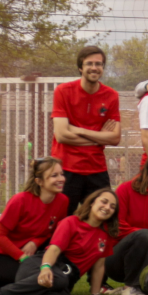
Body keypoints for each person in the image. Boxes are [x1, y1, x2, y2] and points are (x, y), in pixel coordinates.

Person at [0, 189, 148, 295]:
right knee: (60, 279)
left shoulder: (106, 235)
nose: (107, 207)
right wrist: (45, 268)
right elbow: (53, 249)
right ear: (92, 202)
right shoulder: (71, 222)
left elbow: (99, 265)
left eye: (112, 206)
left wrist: (95, 294)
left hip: (65, 277)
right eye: (103, 201)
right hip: (42, 266)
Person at [0, 158, 71, 295]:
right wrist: (22, 258)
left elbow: (52, 232)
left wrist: (35, 242)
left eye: (62, 174)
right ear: (39, 181)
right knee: (50, 281)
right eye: (54, 176)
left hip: (22, 258)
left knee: (59, 289)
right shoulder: (21, 200)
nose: (61, 179)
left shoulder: (62, 201)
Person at [52, 45, 123, 208]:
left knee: (102, 221)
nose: (94, 68)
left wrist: (77, 130)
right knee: (62, 221)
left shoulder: (111, 95)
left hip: (96, 169)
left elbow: (115, 138)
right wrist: (99, 137)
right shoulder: (63, 91)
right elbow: (62, 135)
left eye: (98, 64)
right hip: (66, 168)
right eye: (89, 64)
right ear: (80, 67)